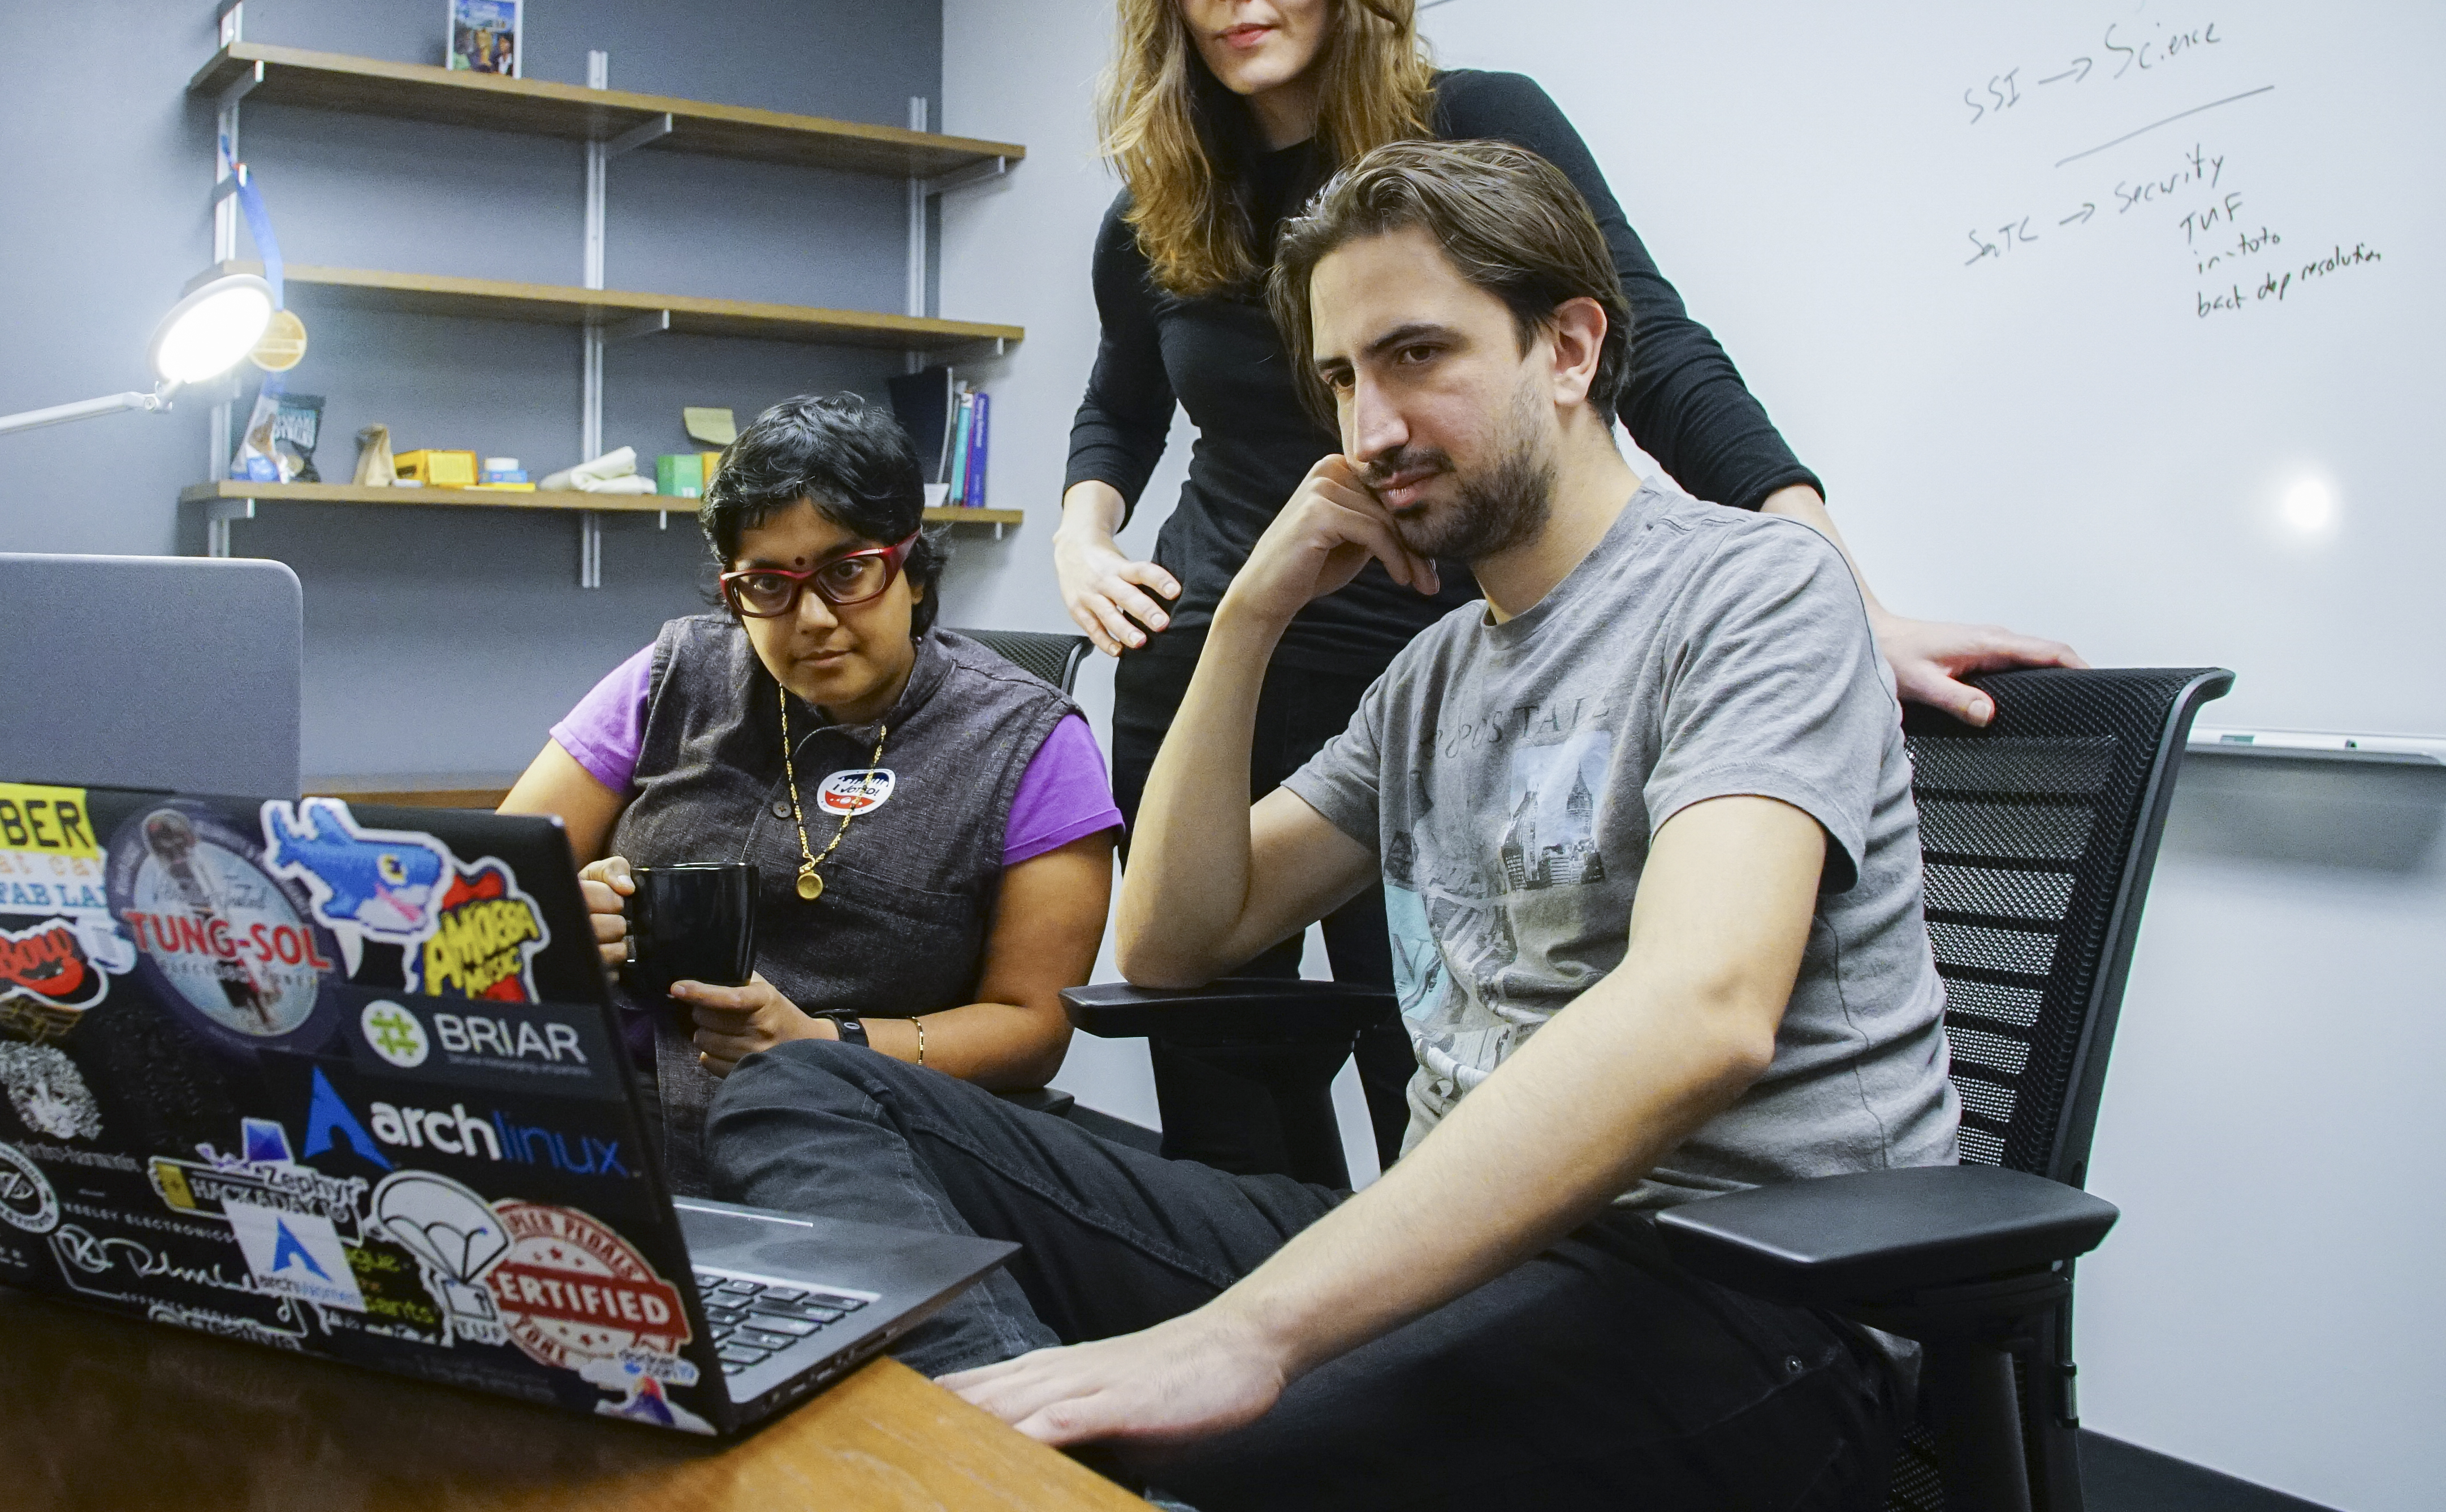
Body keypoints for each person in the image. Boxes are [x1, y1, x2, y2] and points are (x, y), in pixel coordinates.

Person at [702, 142, 1960, 1510]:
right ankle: (1006, 1457)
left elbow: (1702, 1009)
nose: (1370, 428)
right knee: (800, 1087)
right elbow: (1180, 941)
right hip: (1436, 1254)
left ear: (1571, 348)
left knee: (1185, 1430)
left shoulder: (1755, 593)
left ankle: (1011, 1462)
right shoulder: (1431, 675)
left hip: (1729, 1300)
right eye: (1344, 377)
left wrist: (1241, 1333)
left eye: (1418, 353)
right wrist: (1244, 609)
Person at [1054, 0, 2071, 1168]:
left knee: (1440, 1041)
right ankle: (1256, 1338)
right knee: (1223, 1084)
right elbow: (1118, 405)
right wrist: (1083, 541)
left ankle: (1346, 1338)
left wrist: (1843, 589)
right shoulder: (1158, 201)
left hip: (1404, 644)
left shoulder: (1474, 123)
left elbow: (1657, 347)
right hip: (1217, 656)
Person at [498, 394, 1119, 1191]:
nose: (813, 617)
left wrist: (826, 1041)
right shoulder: (673, 675)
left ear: (913, 571)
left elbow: (1032, 1028)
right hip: (611, 1110)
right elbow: (495, 889)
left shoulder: (1030, 740)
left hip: (854, 1133)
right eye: (768, 584)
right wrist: (560, 918)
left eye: (847, 571)